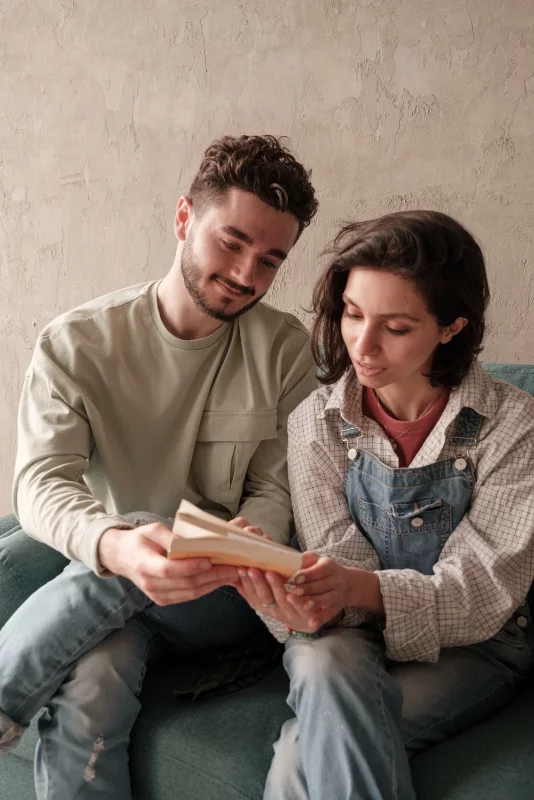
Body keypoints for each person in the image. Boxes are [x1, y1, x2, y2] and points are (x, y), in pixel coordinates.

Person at [0, 135, 318, 798]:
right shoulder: (76, 343)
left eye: (269, 260)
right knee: (91, 682)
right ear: (183, 219)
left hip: (230, 601)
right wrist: (117, 546)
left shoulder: (285, 349)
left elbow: (275, 491)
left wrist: (227, 548)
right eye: (230, 243)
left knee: (155, 526)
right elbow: (39, 484)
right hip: (112, 586)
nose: (245, 275)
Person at [234, 210, 534, 800]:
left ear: (451, 327)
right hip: (352, 633)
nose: (362, 347)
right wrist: (289, 592)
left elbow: (480, 593)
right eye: (351, 314)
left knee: (300, 756)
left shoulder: (514, 425)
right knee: (319, 662)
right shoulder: (315, 422)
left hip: (477, 642)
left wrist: (352, 590)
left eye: (395, 327)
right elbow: (335, 562)